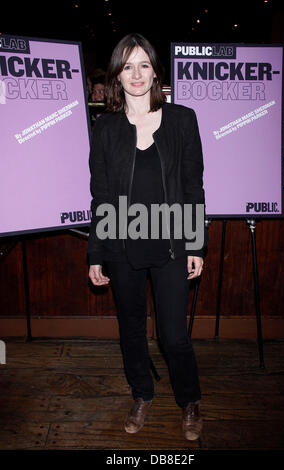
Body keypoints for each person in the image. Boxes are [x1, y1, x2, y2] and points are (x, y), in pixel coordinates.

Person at [87, 33, 208, 441]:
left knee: (173, 335)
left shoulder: (182, 119)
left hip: (172, 242)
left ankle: (189, 400)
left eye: (143, 65)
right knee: (131, 331)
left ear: (155, 71)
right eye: (127, 65)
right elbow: (101, 194)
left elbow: (193, 186)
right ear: (117, 75)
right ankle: (142, 393)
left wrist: (196, 245)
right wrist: (96, 253)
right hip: (122, 244)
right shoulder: (104, 128)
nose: (136, 74)